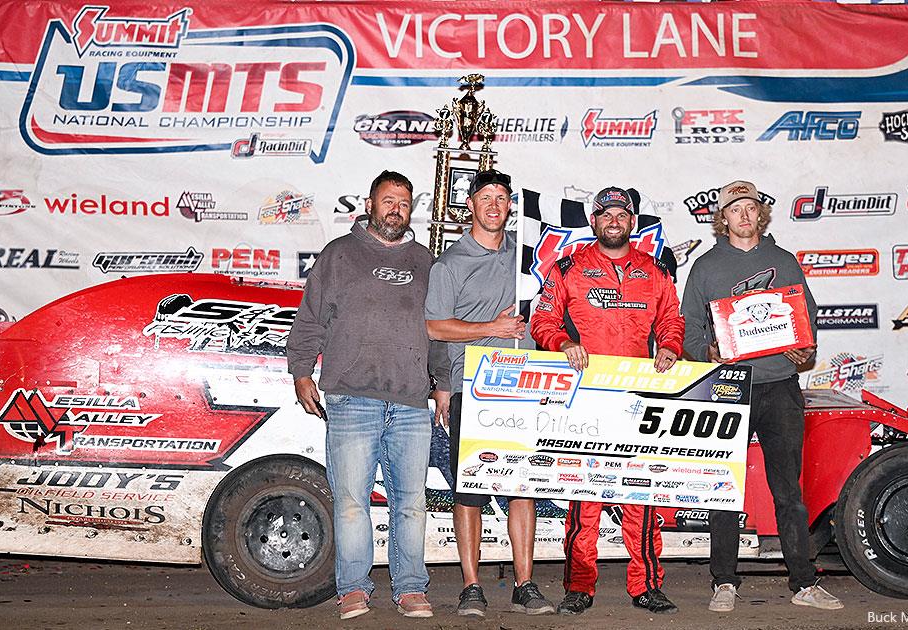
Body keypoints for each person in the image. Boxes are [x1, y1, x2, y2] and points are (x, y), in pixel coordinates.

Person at [680, 180, 843, 612]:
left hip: (780, 384)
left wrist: (804, 347)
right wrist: (707, 352)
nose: (744, 215)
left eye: (751, 207)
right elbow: (689, 326)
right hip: (729, 386)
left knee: (788, 490)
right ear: (723, 218)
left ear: (760, 213)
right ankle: (724, 581)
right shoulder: (705, 267)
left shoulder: (784, 261)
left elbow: (805, 318)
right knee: (723, 490)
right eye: (735, 209)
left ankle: (804, 582)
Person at [529, 186, 685, 616]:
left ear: (632, 221)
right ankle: (579, 586)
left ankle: (647, 586)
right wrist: (563, 343)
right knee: (585, 498)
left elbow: (672, 319)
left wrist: (670, 345)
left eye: (621, 214)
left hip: (640, 398)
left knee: (641, 496)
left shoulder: (655, 270)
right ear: (593, 221)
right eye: (606, 214)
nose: (613, 221)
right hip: (586, 400)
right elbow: (542, 320)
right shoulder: (569, 268)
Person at [286, 170, 435, 620]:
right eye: (388, 201)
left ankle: (411, 588)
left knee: (411, 502)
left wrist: (444, 383)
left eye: (404, 203)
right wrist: (301, 372)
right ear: (369, 205)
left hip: (411, 401)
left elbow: (440, 330)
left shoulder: (425, 261)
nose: (396, 210)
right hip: (352, 399)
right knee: (352, 502)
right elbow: (310, 319)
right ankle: (352, 588)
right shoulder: (338, 255)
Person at [425, 169, 557, 617]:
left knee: (523, 486)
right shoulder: (449, 264)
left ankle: (524, 584)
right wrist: (490, 330)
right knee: (471, 490)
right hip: (475, 388)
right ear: (470, 205)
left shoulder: (528, 255)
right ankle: (471, 586)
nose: (495, 205)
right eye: (486, 197)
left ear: (511, 205)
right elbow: (434, 327)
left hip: (526, 385)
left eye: (502, 197)